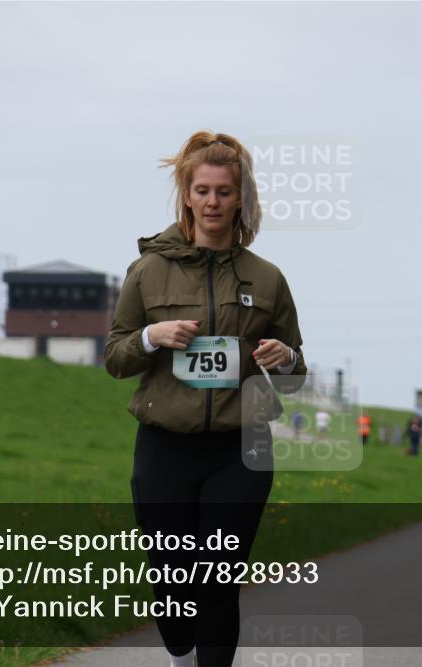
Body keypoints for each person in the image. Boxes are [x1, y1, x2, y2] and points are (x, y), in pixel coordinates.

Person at [104, 131, 307, 667]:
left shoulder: (267, 279)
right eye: (202, 191)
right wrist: (153, 338)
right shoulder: (148, 271)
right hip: (165, 446)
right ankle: (178, 655)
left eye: (223, 191)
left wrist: (283, 358)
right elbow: (116, 357)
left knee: (219, 579)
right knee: (174, 579)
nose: (213, 202)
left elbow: (296, 368)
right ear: (186, 195)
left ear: (241, 198)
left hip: (242, 447)